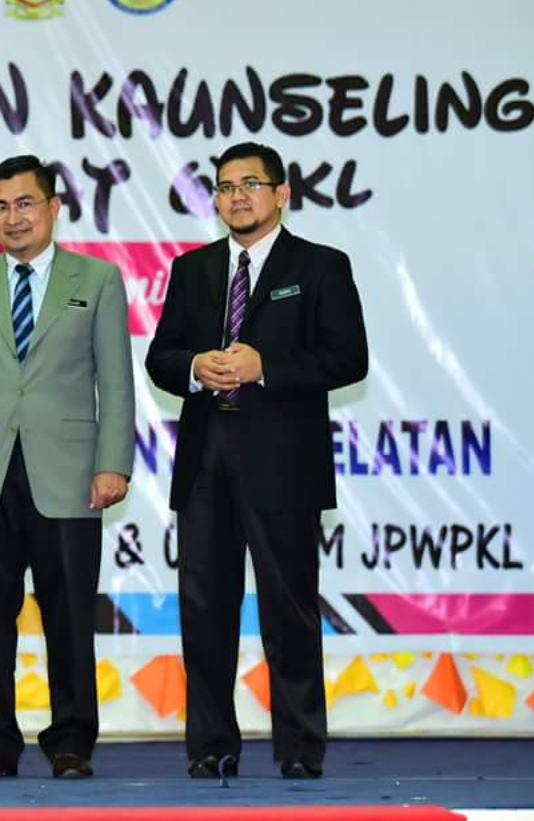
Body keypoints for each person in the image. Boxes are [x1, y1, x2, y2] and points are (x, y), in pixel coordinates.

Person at [144, 141, 368, 781]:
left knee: (287, 608)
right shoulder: (192, 269)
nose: (236, 196)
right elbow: (161, 358)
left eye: (250, 184)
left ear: (281, 193)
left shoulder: (320, 266)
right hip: (206, 457)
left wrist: (264, 367)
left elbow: (348, 359)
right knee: (204, 609)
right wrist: (195, 366)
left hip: (282, 461)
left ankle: (299, 747)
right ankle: (211, 745)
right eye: (225, 187)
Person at [0, 154, 135, 779]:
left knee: (69, 614)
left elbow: (115, 383)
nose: (13, 217)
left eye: (25, 203)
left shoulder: (97, 280)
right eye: (1, 206)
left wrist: (113, 463)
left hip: (68, 472)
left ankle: (71, 741)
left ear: (53, 208)